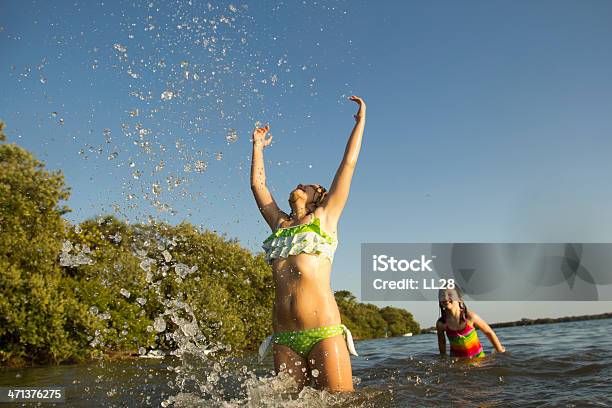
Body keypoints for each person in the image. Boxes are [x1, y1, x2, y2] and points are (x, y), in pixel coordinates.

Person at [250, 96, 366, 392]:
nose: (303, 183)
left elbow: (348, 166)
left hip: (323, 333)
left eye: (310, 185)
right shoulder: (279, 225)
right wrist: (257, 147)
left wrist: (361, 122)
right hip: (284, 338)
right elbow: (258, 187)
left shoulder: (325, 220)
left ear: (320, 198)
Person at [436, 287, 506, 358]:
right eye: (442, 296)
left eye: (449, 294)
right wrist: (443, 358)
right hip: (458, 363)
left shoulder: (470, 317)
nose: (445, 298)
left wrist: (500, 351)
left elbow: (489, 333)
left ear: (459, 299)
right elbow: (442, 344)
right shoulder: (442, 323)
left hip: (479, 360)